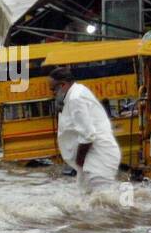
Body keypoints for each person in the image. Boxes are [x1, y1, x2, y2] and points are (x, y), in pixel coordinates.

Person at [50, 66, 121, 194]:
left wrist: (79, 160)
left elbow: (88, 135)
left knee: (101, 203)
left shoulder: (75, 98)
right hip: (91, 159)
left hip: (99, 157)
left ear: (63, 85)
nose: (53, 93)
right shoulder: (75, 94)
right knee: (86, 200)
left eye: (53, 89)